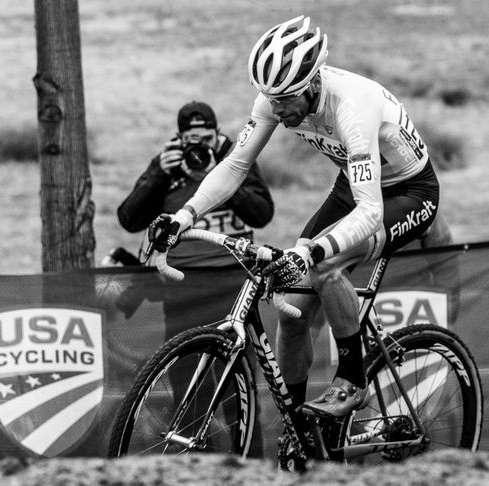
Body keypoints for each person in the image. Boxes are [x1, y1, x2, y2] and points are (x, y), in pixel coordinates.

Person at [149, 15, 440, 423]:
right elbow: (235, 165)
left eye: (286, 99)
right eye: (271, 98)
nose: (278, 108)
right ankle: (298, 428)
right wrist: (184, 215)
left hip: (408, 192)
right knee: (295, 312)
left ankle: (352, 381)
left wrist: (313, 251)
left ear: (313, 84)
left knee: (324, 266)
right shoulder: (273, 97)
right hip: (353, 183)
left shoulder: (352, 106)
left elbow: (371, 211)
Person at [114, 100, 275, 332]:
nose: (200, 148)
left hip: (232, 274)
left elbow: (262, 214)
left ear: (217, 135)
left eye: (207, 140)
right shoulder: (169, 164)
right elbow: (129, 220)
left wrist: (221, 176)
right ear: (179, 138)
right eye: (192, 141)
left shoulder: (234, 158)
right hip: (180, 280)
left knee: (236, 354)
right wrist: (158, 175)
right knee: (183, 362)